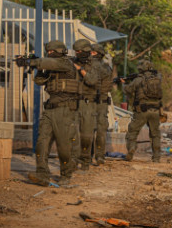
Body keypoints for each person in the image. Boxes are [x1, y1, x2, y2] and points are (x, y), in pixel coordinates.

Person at [20, 40, 81, 186]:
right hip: (50, 109)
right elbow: (40, 81)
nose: (49, 54)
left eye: (51, 52)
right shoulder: (52, 67)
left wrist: (32, 62)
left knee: (63, 145)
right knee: (42, 142)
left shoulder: (65, 63)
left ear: (58, 52)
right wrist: (37, 66)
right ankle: (42, 174)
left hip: (65, 110)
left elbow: (49, 63)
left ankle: (66, 174)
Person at [122, 59, 163, 163]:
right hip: (156, 110)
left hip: (142, 110)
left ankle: (131, 150)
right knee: (155, 134)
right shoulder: (157, 78)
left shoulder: (138, 79)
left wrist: (123, 84)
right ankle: (156, 158)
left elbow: (128, 90)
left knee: (132, 131)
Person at [72, 38, 102, 171]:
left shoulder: (96, 64)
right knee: (72, 134)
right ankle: (73, 160)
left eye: (79, 51)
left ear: (85, 51)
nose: (77, 53)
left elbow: (92, 81)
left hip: (88, 104)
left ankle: (85, 160)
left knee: (86, 135)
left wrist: (80, 70)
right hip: (73, 102)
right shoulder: (72, 62)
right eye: (75, 51)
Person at [90, 43, 113, 165]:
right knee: (99, 130)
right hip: (102, 103)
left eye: (92, 52)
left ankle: (90, 156)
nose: (90, 54)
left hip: (95, 102)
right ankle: (99, 156)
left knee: (92, 129)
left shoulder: (93, 66)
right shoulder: (106, 67)